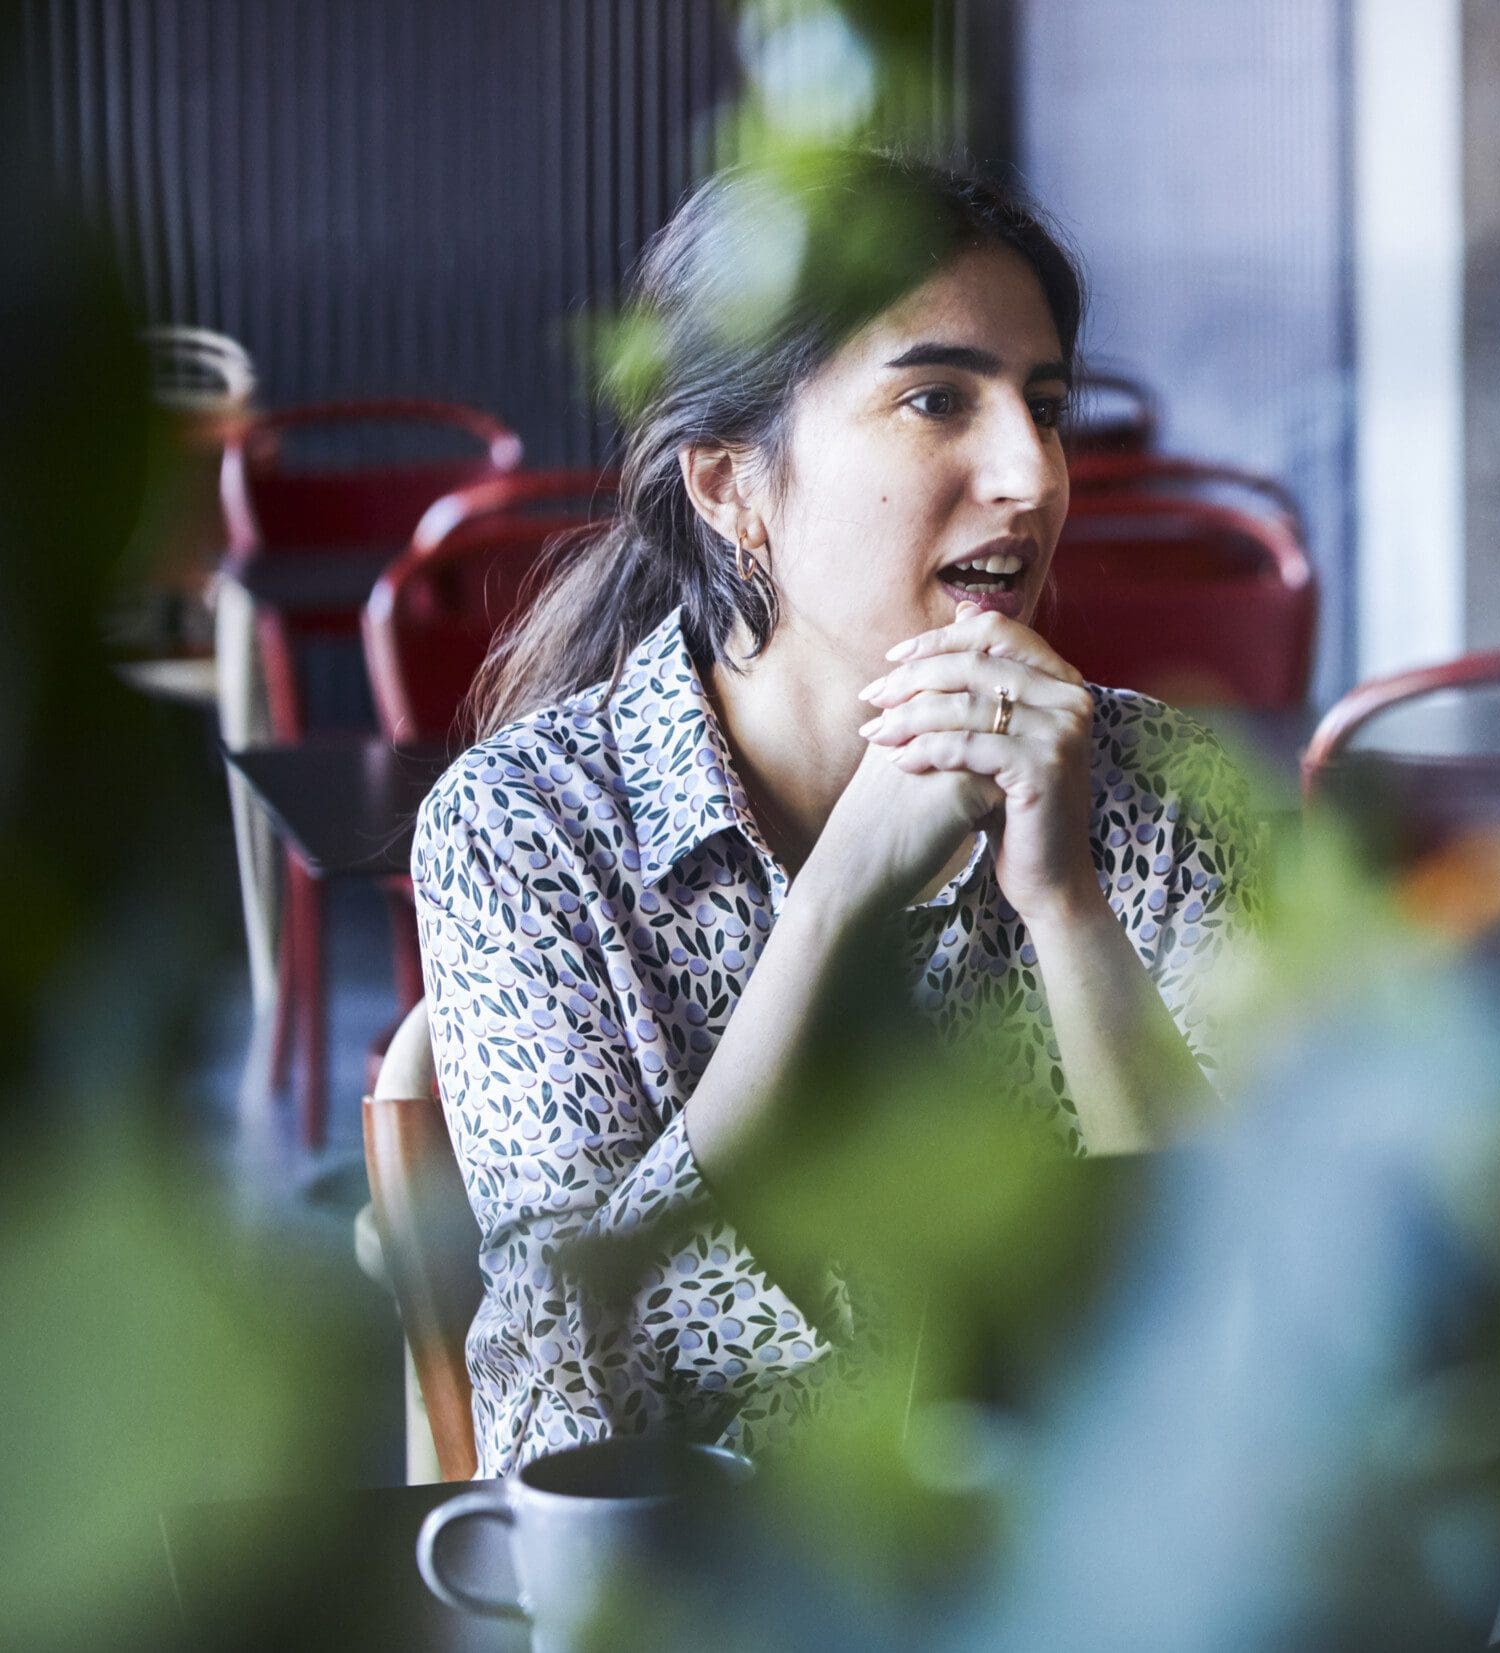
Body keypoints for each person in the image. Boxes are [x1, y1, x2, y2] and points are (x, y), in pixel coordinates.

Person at [411, 154, 1263, 1475]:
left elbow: (1279, 1307)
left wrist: (1069, 906)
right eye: (937, 398)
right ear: (728, 487)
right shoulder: (524, 829)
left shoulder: (1147, 782)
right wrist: (834, 905)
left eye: (1047, 407)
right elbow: (570, 1388)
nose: (1032, 476)